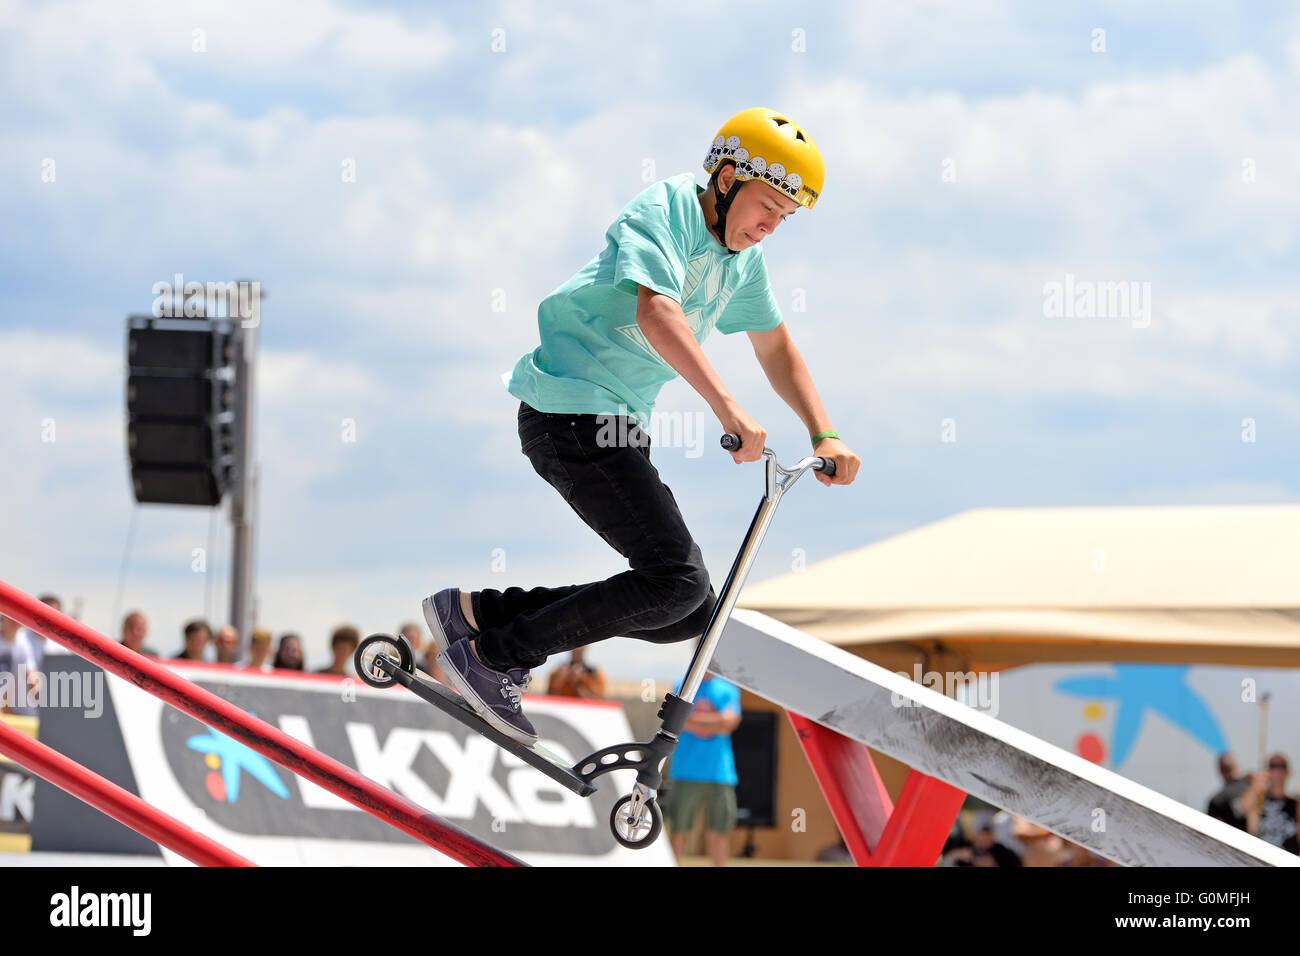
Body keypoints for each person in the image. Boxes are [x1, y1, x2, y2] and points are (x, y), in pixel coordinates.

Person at [420, 108, 859, 746]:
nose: (770, 227)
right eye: (767, 206)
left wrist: (825, 433)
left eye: (784, 219)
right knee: (676, 579)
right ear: (729, 178)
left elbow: (776, 348)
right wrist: (727, 407)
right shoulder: (667, 209)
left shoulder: (741, 263)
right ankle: (492, 656)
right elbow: (657, 312)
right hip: (569, 409)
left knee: (687, 610)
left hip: (615, 424)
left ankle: (479, 615)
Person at [664, 672, 742, 867]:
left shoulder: (728, 688)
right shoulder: (682, 684)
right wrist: (717, 722)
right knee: (678, 830)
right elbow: (677, 721)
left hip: (720, 773)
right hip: (685, 770)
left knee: (719, 831)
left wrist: (695, 720)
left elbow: (731, 722)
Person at [1244, 753, 1299, 853]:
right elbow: (1242, 807)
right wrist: (1256, 784)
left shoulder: (1296, 805)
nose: (1277, 771)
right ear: (1267, 771)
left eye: (1281, 766)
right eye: (1273, 766)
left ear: (1288, 772)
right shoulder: (1258, 802)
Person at [0, 615, 38, 716]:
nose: (14, 619)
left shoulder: (23, 642)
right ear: (3, 616)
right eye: (10, 614)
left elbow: (32, 678)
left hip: (17, 711)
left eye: (17, 614)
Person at [1206, 751, 1251, 830]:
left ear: (1220, 771)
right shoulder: (1252, 789)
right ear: (1237, 767)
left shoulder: (1217, 800)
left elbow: (1212, 830)